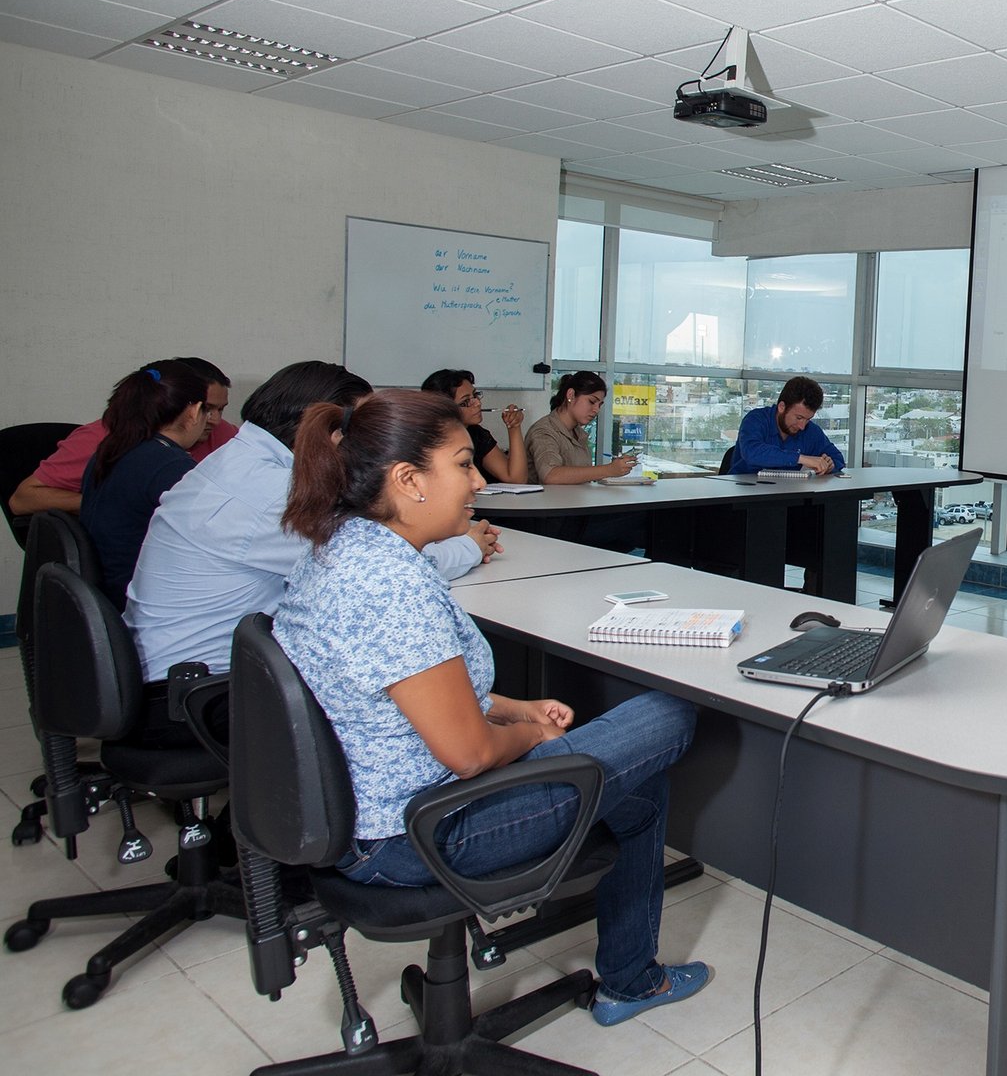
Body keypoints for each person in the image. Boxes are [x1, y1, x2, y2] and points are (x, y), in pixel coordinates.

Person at [274, 389, 709, 1025]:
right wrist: (531, 738)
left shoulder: (343, 550)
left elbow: (406, 690)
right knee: (671, 713)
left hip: (361, 816)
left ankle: (632, 977)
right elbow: (471, 753)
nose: (479, 477)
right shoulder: (391, 584)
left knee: (639, 798)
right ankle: (630, 983)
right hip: (420, 832)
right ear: (408, 480)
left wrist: (515, 708)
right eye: (461, 464)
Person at [125, 361, 497, 700]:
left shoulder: (237, 462)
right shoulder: (274, 493)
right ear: (331, 431)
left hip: (180, 678)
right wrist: (468, 547)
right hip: (203, 696)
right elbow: (377, 565)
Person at [10, 356, 237, 517]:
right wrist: (114, 505)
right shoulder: (104, 439)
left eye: (221, 409)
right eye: (206, 409)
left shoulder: (220, 432)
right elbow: (22, 500)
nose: (215, 420)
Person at [77, 361, 211, 607]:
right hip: (139, 599)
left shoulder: (115, 449)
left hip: (106, 592)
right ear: (193, 412)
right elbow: (214, 539)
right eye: (208, 411)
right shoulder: (169, 466)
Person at [524, 371, 637, 484]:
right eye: (592, 402)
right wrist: (608, 470)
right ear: (571, 395)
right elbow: (550, 475)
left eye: (599, 405)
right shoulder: (543, 431)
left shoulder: (578, 433)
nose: (596, 410)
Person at [421, 368, 528, 483]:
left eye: (475, 395)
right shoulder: (425, 440)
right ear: (444, 409)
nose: (478, 403)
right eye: (466, 402)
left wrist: (514, 426)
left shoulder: (476, 434)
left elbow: (517, 479)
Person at [728, 376, 845, 475]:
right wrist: (801, 459)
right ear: (782, 407)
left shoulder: (811, 430)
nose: (802, 426)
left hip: (789, 497)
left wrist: (830, 464)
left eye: (808, 419)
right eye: (799, 418)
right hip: (744, 495)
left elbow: (838, 458)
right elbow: (752, 452)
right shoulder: (756, 419)